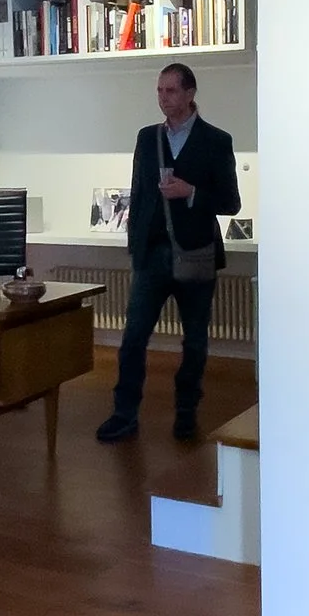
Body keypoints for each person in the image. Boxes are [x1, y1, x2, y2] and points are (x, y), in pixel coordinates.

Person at [96, 63, 241, 443]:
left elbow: (230, 202)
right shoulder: (148, 138)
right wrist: (135, 247)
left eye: (171, 91)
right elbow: (140, 193)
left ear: (190, 93)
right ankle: (124, 414)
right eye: (159, 91)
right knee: (133, 337)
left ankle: (186, 412)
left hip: (195, 254)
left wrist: (190, 192)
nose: (163, 98)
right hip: (152, 255)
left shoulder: (216, 140)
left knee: (194, 340)